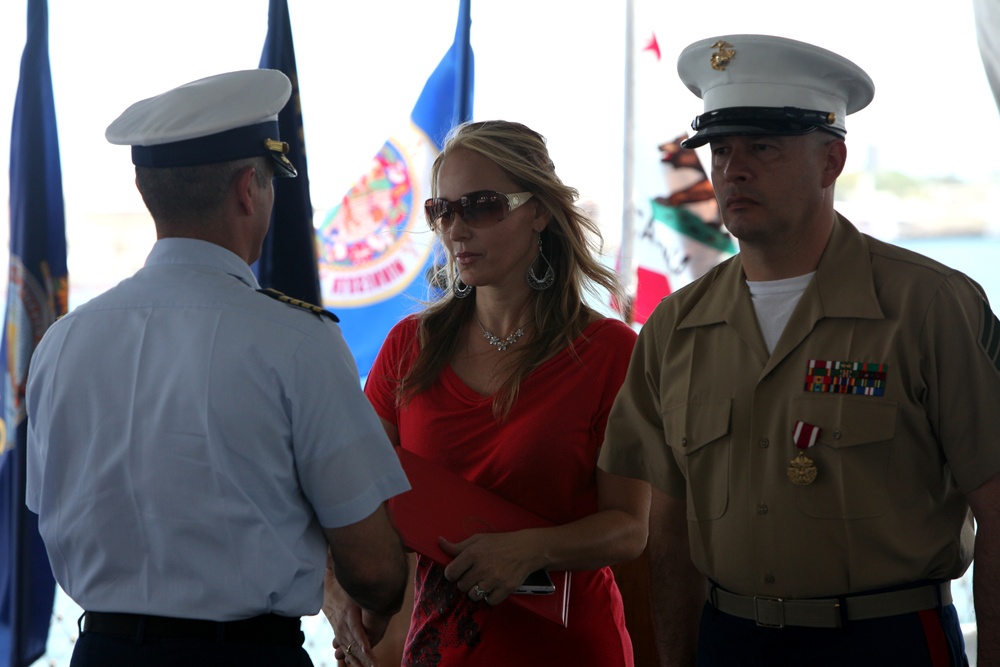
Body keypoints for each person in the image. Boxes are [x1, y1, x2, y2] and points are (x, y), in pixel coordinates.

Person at [598, 34, 1000, 667]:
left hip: (886, 641)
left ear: (831, 162)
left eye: (763, 146)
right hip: (730, 641)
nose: (735, 169)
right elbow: (667, 536)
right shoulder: (674, 328)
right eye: (722, 150)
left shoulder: (929, 307)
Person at [25, 69, 411, 667]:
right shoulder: (298, 342)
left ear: (146, 189)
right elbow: (375, 569)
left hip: (100, 651)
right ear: (248, 191)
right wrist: (377, 598)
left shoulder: (60, 343)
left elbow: (47, 510)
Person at [325, 120, 650, 666]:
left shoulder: (611, 351)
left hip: (566, 650)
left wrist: (530, 549)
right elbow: (348, 496)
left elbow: (629, 528)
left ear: (540, 211)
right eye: (441, 210)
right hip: (436, 648)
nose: (456, 229)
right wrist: (342, 598)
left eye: (482, 205)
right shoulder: (409, 346)